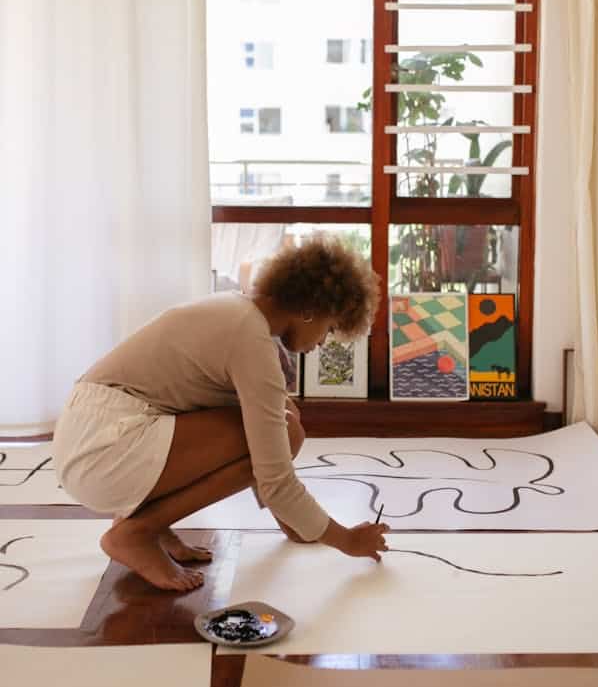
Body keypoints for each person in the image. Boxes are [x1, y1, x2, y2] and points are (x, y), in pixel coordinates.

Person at [52, 236, 389, 591]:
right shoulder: (251, 341)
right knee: (285, 430)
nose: (322, 343)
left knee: (282, 415)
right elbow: (275, 477)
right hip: (103, 452)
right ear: (311, 309)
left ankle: (148, 525)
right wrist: (346, 541)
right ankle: (137, 532)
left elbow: (269, 458)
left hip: (92, 438)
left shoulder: (238, 312)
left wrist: (299, 524)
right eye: (330, 328)